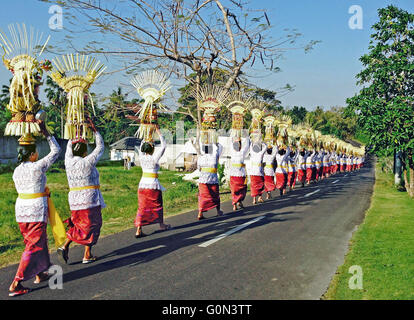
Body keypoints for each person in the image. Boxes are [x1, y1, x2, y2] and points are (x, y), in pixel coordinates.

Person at [9, 121, 61, 297]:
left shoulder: (16, 171)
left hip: (21, 210)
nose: (38, 154)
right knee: (34, 245)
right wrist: (46, 132)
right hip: (35, 210)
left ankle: (40, 273)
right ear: (32, 154)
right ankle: (16, 282)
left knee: (37, 242)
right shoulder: (38, 167)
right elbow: (56, 151)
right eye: (36, 151)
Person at [58, 118, 105, 264]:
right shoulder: (87, 161)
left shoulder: (68, 161)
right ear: (85, 151)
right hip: (89, 200)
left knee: (79, 225)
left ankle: (83, 252)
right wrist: (95, 131)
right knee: (92, 226)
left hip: (74, 200)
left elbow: (68, 148)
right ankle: (80, 252)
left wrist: (75, 131)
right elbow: (100, 147)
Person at [134, 127, 171, 236]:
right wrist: (158, 132)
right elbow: (164, 146)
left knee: (142, 207)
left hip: (142, 186)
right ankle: (161, 225)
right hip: (153, 185)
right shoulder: (154, 158)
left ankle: (138, 229)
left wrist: (146, 133)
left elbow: (141, 146)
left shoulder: (141, 157)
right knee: (157, 205)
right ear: (152, 149)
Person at [194, 138, 224, 220]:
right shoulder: (214, 156)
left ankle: (200, 212)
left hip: (203, 179)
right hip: (212, 179)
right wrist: (214, 140)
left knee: (203, 196)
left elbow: (199, 168)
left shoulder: (200, 157)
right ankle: (218, 211)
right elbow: (221, 148)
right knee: (215, 195)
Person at [229, 137, 250, 211]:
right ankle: (239, 201)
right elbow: (247, 145)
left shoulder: (232, 151)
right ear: (240, 146)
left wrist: (234, 136)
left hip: (233, 174)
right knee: (242, 189)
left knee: (234, 190)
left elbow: (230, 142)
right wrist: (245, 137)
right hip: (240, 174)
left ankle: (235, 203)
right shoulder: (242, 153)